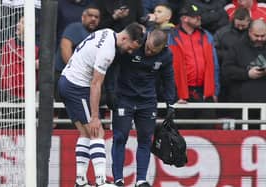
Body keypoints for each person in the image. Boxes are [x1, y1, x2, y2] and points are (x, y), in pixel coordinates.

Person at [58, 22, 144, 187]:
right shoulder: (108, 52)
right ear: (125, 38)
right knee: (97, 133)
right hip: (77, 86)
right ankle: (101, 181)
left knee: (85, 133)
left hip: (66, 80)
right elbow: (96, 84)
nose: (130, 51)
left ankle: (80, 180)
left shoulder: (107, 31)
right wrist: (95, 117)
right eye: (130, 47)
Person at [105, 29, 176, 187]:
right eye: (148, 47)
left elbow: (169, 78)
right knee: (120, 137)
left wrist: (171, 103)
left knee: (145, 139)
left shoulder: (166, 55)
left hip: (148, 100)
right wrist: (109, 91)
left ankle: (141, 180)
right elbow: (112, 64)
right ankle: (118, 179)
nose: (148, 51)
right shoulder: (134, 44)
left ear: (163, 47)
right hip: (124, 98)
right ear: (147, 38)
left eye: (153, 51)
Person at [167, 3, 220, 129]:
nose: (199, 19)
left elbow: (214, 65)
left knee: (208, 132)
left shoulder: (207, 35)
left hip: (204, 93)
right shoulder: (171, 37)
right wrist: (173, 96)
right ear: (184, 18)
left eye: (199, 16)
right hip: (181, 95)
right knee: (183, 134)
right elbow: (167, 68)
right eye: (195, 17)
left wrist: (214, 90)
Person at [54, 5, 100, 129]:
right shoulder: (74, 28)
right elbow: (65, 48)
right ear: (83, 17)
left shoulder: (97, 35)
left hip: (83, 79)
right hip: (64, 75)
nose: (93, 19)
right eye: (90, 15)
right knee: (69, 109)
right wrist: (75, 70)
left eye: (96, 17)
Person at [221, 19, 266, 124]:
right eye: (256, 35)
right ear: (249, 32)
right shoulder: (237, 47)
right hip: (243, 104)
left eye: (263, 36)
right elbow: (227, 70)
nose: (259, 39)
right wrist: (247, 74)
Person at [214, 7, 251, 107]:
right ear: (233, 19)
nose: (240, 28)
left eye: (243, 25)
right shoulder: (222, 33)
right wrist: (229, 55)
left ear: (249, 21)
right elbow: (213, 51)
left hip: (248, 75)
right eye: (238, 25)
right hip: (227, 76)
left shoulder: (253, 33)